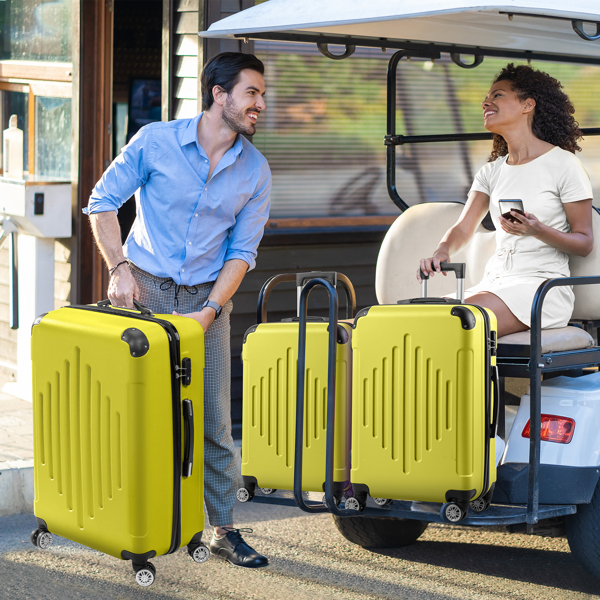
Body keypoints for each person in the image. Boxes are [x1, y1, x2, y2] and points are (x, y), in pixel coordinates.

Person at [84, 52, 271, 568]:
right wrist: (119, 268)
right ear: (219, 93)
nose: (261, 103)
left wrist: (210, 310)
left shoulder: (255, 170)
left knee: (213, 420)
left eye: (261, 94)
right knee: (140, 414)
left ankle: (223, 530)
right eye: (252, 92)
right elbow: (102, 201)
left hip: (208, 300)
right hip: (144, 291)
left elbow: (242, 253)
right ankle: (126, 517)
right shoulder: (155, 141)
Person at [418, 63, 594, 337]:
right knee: (414, 320)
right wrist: (442, 251)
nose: (485, 102)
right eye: (487, 97)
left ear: (527, 105)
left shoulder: (564, 164)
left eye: (497, 95)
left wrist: (538, 230)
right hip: (494, 284)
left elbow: (584, 243)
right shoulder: (491, 171)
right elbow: (464, 228)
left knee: (452, 324)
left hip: (541, 290)